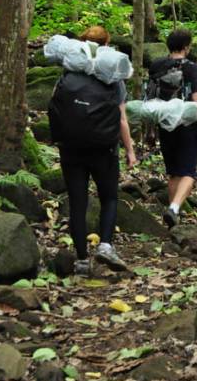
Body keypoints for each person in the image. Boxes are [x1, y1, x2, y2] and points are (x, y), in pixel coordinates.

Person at [54, 26, 137, 275]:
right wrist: (130, 150)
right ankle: (105, 245)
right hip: (104, 148)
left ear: (82, 42)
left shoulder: (69, 71)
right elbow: (121, 119)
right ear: (107, 44)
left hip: (71, 148)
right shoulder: (113, 77)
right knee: (109, 197)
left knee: (78, 202)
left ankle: (81, 260)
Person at [148, 28, 197, 228]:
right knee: (189, 172)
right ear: (186, 47)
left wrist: (149, 129)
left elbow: (150, 96)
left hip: (164, 123)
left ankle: (172, 218)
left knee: (174, 172)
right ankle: (174, 208)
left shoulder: (157, 65)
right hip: (186, 124)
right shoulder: (191, 68)